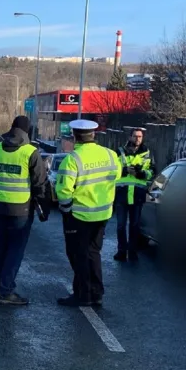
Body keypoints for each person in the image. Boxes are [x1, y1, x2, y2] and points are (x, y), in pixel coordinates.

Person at [0, 115, 52, 306]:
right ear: (27, 132)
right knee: (15, 250)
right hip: (20, 210)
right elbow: (40, 185)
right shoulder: (30, 153)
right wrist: (45, 209)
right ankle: (6, 291)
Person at [55, 119, 123, 308]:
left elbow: (63, 191)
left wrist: (67, 212)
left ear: (75, 136)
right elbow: (116, 177)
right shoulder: (110, 155)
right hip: (103, 214)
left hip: (80, 215)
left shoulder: (73, 159)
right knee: (94, 253)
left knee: (78, 255)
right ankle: (97, 293)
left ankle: (83, 295)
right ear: (93, 135)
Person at [114, 128, 153, 262]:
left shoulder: (147, 153)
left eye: (140, 136)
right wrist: (124, 171)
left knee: (135, 225)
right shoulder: (119, 152)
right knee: (120, 225)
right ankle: (121, 251)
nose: (138, 139)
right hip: (122, 194)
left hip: (137, 195)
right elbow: (112, 170)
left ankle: (132, 251)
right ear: (130, 137)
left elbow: (152, 171)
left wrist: (142, 174)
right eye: (135, 136)